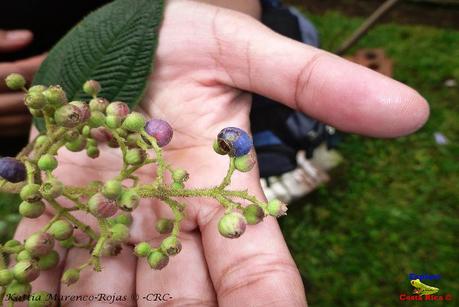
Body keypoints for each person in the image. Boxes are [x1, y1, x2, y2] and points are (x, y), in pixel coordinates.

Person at [3, 0, 429, 306]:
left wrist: (161, 16)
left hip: (176, 89)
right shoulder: (63, 135)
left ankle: (277, 172)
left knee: (264, 136)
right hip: (43, 128)